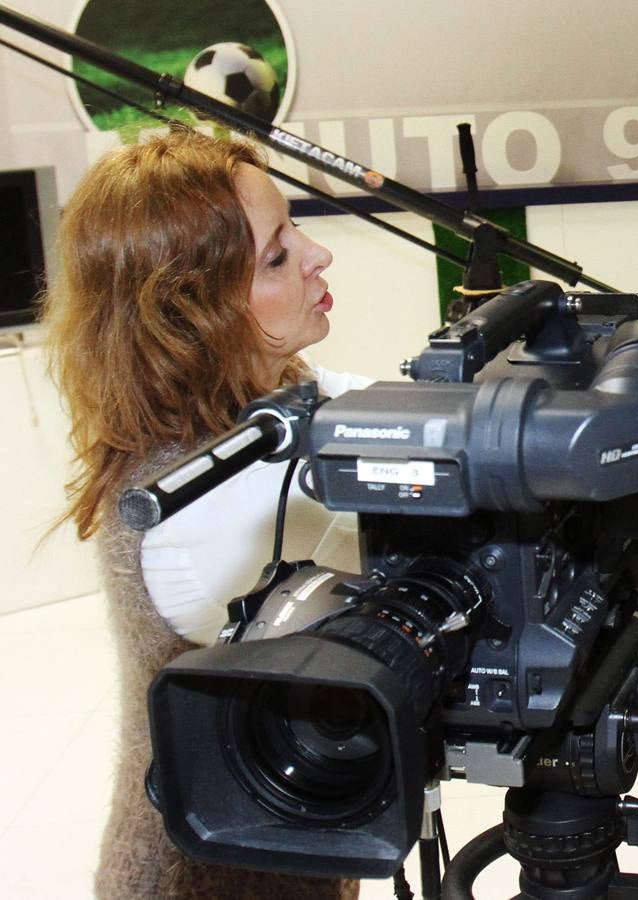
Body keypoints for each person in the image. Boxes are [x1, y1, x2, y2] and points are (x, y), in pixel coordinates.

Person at [45, 129, 368, 900]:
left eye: (296, 230)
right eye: (277, 256)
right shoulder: (188, 499)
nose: (319, 255)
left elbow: (367, 406)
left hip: (289, 842)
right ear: (192, 309)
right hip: (199, 878)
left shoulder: (273, 387)